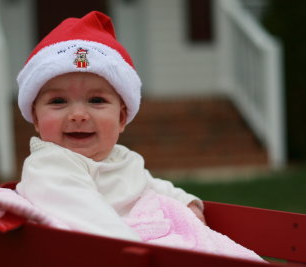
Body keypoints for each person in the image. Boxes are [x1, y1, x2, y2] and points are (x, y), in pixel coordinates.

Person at [15, 11, 205, 241]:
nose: (78, 115)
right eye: (58, 101)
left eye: (96, 100)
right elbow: (88, 217)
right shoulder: (49, 165)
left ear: (121, 119)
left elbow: (147, 185)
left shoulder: (121, 159)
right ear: (36, 118)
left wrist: (185, 202)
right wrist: (138, 252)